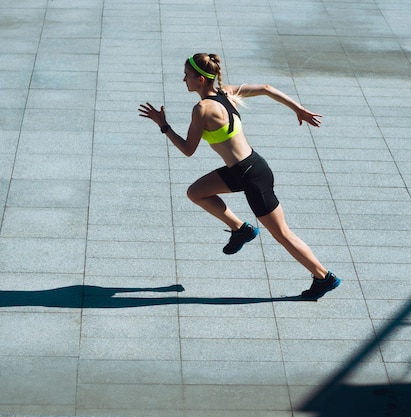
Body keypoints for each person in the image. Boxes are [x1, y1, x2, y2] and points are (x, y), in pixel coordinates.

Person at [139, 53, 340, 299]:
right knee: (196, 192)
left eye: (187, 76)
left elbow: (188, 150)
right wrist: (297, 108)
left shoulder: (202, 109)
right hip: (245, 169)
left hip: (252, 176)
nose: (184, 80)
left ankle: (323, 277)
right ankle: (240, 229)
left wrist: (164, 126)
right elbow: (266, 89)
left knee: (282, 234)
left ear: (201, 79)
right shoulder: (225, 93)